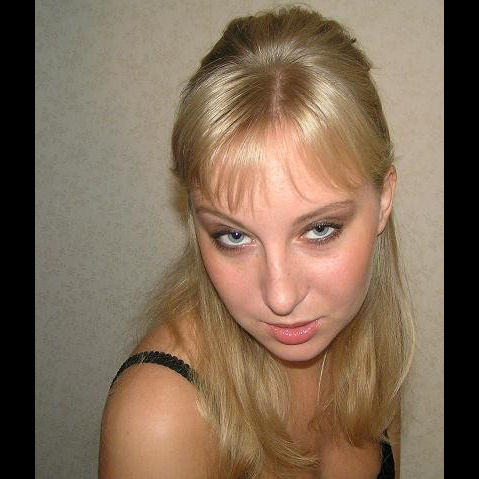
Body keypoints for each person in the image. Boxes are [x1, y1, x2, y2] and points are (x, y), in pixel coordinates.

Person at [98, 6, 415, 478]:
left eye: (319, 230)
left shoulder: (369, 345)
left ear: (384, 199)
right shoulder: (159, 419)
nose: (280, 298)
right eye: (234, 235)